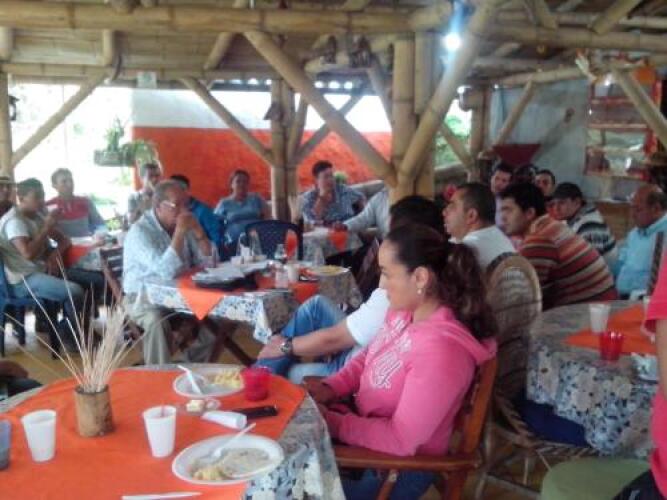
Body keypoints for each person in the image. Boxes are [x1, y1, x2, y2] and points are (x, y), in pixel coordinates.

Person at [305, 224, 497, 499]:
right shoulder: (405, 313)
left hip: (393, 469)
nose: (381, 284)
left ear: (420, 277)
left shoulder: (442, 352)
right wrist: (331, 387)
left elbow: (401, 440)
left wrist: (332, 422)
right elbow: (368, 358)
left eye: (386, 273)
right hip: (363, 436)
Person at [256, 195, 445, 383]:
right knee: (315, 306)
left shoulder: (397, 294)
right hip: (361, 344)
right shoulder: (432, 274)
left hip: (351, 367)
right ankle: (264, 370)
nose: (382, 282)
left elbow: (336, 339)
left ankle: (261, 377)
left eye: (386, 273)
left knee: (290, 372)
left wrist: (285, 346)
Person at [123, 180, 222, 365]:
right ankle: (159, 375)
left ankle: (190, 364)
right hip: (142, 298)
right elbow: (165, 271)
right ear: (158, 206)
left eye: (186, 204)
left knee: (221, 314)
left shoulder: (181, 223)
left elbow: (209, 263)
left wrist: (199, 231)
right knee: (156, 321)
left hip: (180, 295)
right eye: (177, 205)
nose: (184, 211)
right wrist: (180, 232)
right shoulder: (140, 232)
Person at [0, 178, 91, 348]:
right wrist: (46, 228)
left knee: (93, 280)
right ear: (21, 198)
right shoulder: (14, 221)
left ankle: (77, 330)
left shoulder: (37, 215)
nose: (42, 201)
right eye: (37, 197)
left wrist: (53, 257)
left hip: (41, 270)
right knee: (75, 291)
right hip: (23, 279)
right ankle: (70, 335)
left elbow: (64, 240)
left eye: (43, 195)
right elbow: (28, 254)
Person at [499, 183, 617, 309]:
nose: (502, 217)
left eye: (508, 210)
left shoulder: (539, 239)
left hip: (593, 314)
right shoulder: (551, 226)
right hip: (601, 306)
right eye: (501, 210)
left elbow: (520, 299)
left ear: (529, 213)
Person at [444, 182, 516, 269]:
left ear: (471, 216)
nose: (444, 213)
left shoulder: (466, 251)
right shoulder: (500, 239)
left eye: (452, 206)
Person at [614, 184, 667, 297]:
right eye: (632, 208)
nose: (632, 215)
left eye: (638, 209)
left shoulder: (663, 236)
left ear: (656, 209)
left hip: (646, 300)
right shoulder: (635, 233)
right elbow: (620, 264)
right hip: (619, 296)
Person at [551, 182, 617, 265]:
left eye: (562, 203)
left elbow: (591, 264)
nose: (556, 208)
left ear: (577, 202)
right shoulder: (569, 218)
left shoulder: (589, 225)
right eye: (554, 203)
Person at [214, 169, 270, 249]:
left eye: (245, 182)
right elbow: (215, 223)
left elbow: (268, 218)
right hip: (234, 243)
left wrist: (266, 233)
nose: (242, 184)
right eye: (238, 181)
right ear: (231, 184)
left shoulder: (256, 198)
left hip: (258, 240)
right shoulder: (224, 203)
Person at [170, 174, 224, 255]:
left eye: (175, 191)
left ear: (186, 191)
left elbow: (217, 241)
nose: (172, 195)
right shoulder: (170, 212)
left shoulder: (203, 211)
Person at [45, 168, 106, 238]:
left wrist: (98, 236)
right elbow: (47, 233)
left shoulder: (85, 201)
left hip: (87, 243)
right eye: (64, 182)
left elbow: (100, 224)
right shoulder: (49, 205)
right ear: (54, 185)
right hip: (62, 244)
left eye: (71, 180)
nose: (69, 184)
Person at [301, 161, 365, 226]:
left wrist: (361, 219)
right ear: (316, 180)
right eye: (326, 177)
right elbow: (311, 221)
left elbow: (360, 198)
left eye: (331, 175)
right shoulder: (308, 198)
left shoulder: (342, 189)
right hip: (328, 230)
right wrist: (322, 198)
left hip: (350, 227)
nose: (330, 179)